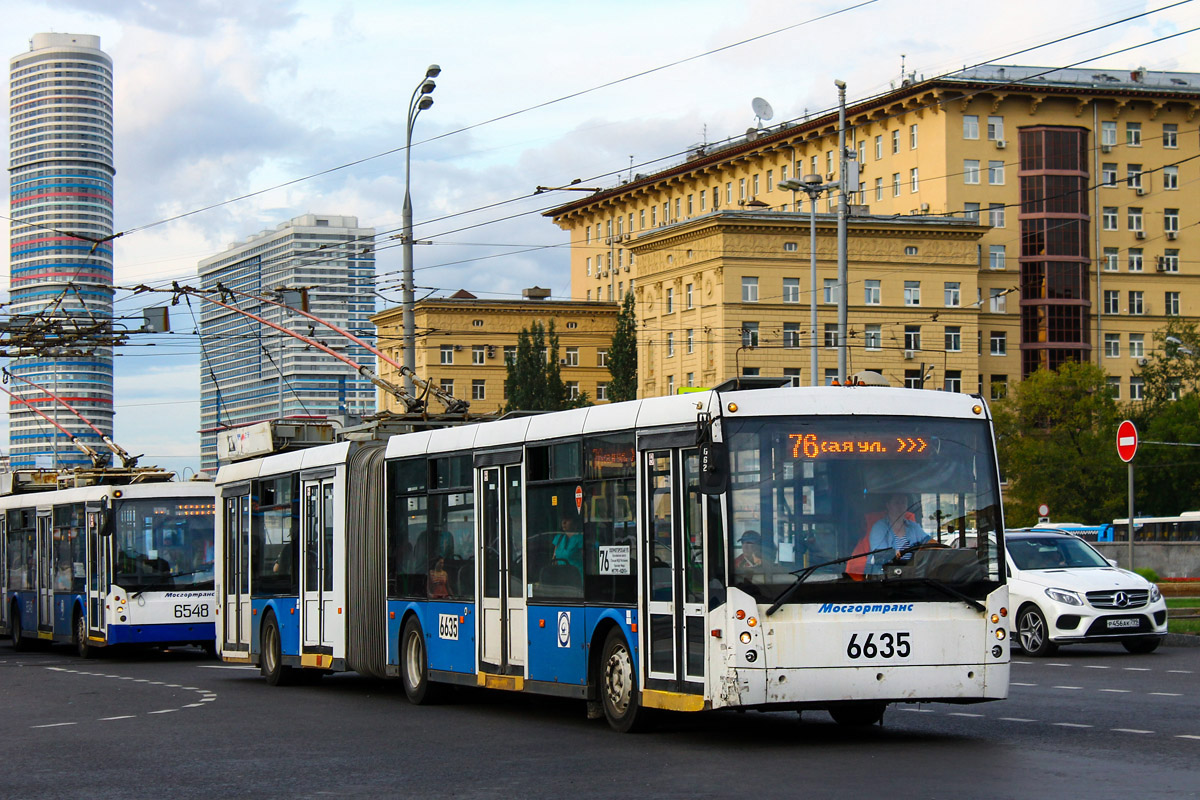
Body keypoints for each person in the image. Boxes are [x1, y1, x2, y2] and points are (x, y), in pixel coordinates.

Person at [868, 493, 931, 572]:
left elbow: (930, 543)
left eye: (903, 503)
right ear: (888, 505)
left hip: (914, 576)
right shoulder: (879, 528)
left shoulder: (914, 527)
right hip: (885, 576)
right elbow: (881, 556)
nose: (901, 506)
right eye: (897, 503)